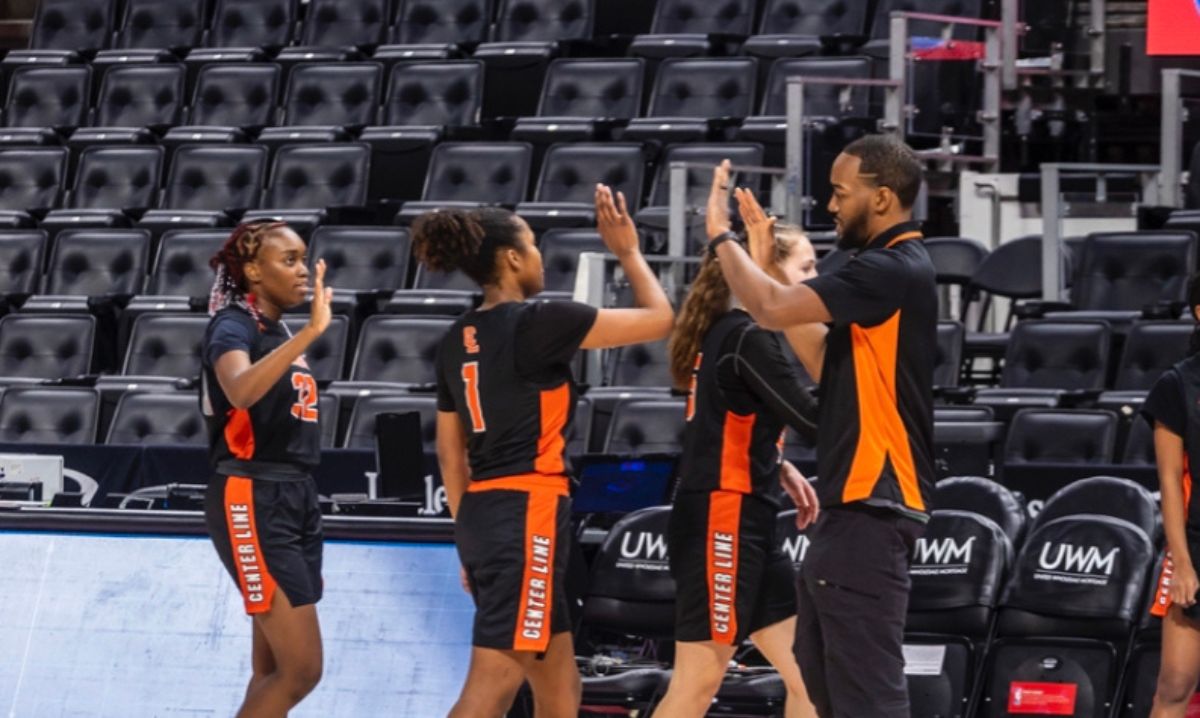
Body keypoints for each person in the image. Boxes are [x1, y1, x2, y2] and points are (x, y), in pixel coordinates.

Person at [421, 186, 674, 718]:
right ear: (512, 258)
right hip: (526, 512)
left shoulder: (455, 337)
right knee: (492, 686)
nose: (540, 257)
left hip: (485, 515)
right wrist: (628, 252)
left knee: (561, 690)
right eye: (532, 246)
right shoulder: (541, 321)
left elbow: (451, 457)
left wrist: (470, 539)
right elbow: (659, 319)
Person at [708, 135, 936, 718]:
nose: (831, 206)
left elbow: (769, 310)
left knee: (868, 696)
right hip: (851, 508)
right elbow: (819, 357)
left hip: (873, 504)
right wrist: (761, 265)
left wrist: (719, 238)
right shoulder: (880, 273)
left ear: (882, 198)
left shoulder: (891, 268)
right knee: (823, 682)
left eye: (840, 192)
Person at [652, 165, 822, 718]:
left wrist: (776, 465)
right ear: (767, 269)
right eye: (807, 266)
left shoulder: (735, 332)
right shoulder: (748, 335)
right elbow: (816, 417)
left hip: (746, 513)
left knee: (812, 678)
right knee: (697, 684)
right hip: (722, 518)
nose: (816, 279)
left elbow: (727, 425)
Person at [201, 219, 334, 718]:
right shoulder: (232, 323)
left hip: (293, 494)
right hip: (251, 495)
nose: (303, 271)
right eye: (290, 260)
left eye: (304, 258)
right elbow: (240, 389)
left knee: (271, 669)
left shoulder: (275, 328)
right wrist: (313, 333)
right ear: (254, 270)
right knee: (302, 671)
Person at [1147, 275, 1200, 717]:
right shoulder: (1176, 386)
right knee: (1176, 684)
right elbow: (1169, 483)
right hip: (1197, 548)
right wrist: (1181, 564)